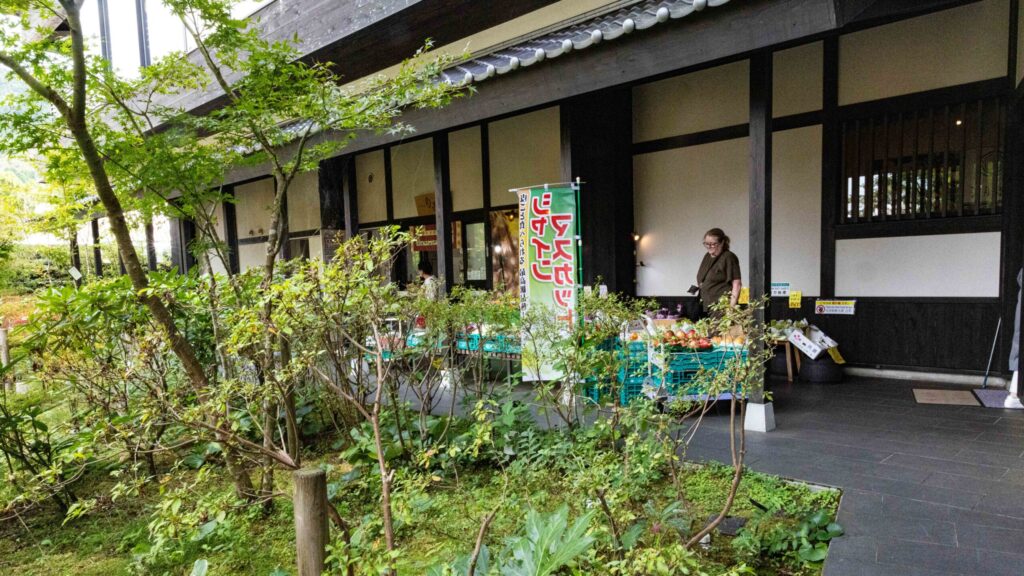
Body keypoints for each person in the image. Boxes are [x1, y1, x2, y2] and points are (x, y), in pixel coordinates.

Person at [695, 228, 741, 317]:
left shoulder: (728, 257)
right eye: (706, 244)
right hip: (705, 305)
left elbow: (737, 284)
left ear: (722, 243)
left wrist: (731, 309)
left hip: (721, 306)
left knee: (717, 331)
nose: (709, 247)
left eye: (713, 244)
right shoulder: (707, 256)